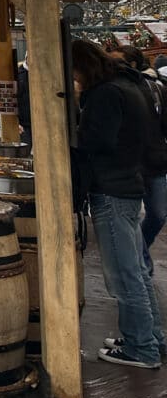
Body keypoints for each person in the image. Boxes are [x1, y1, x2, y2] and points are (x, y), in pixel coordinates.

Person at [71, 39, 166, 368]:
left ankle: (142, 348)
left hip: (112, 188)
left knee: (124, 275)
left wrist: (74, 130)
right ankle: (149, 336)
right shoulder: (130, 84)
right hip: (129, 184)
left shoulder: (105, 93)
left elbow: (98, 140)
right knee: (137, 271)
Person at [115, 46, 167, 273]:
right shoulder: (113, 90)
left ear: (133, 64)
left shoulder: (156, 89)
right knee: (131, 216)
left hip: (154, 161)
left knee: (158, 214)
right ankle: (143, 262)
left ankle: (140, 249)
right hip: (128, 164)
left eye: (118, 61)